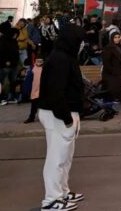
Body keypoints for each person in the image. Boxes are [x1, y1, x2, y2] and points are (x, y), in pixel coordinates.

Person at [37, 25, 86, 210]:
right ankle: (51, 199)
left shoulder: (66, 56)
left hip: (65, 112)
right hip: (58, 114)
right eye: (80, 41)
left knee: (65, 158)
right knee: (56, 158)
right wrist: (66, 118)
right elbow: (55, 92)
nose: (81, 45)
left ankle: (63, 192)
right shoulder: (59, 59)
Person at [0, 28, 20, 103]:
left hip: (14, 65)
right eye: (14, 34)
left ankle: (11, 97)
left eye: (17, 34)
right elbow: (1, 52)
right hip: (5, 65)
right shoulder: (4, 41)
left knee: (13, 81)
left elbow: (16, 53)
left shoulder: (15, 41)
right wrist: (6, 61)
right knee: (2, 82)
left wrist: (15, 61)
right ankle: (1, 97)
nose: (15, 36)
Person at [101, 31, 121, 104]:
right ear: (112, 38)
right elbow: (106, 61)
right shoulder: (109, 48)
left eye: (118, 37)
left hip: (118, 72)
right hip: (111, 74)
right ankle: (109, 108)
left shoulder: (119, 47)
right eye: (115, 37)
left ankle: (112, 108)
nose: (117, 39)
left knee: (117, 90)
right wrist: (112, 70)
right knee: (110, 91)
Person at [24, 56, 44, 123]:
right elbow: (28, 81)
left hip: (43, 91)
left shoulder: (45, 68)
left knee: (44, 106)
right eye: (37, 61)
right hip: (34, 91)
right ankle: (31, 117)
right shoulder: (32, 69)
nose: (39, 62)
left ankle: (45, 118)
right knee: (34, 106)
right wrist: (27, 90)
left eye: (40, 61)